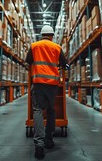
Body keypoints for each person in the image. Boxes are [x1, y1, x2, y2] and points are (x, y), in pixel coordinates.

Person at [25, 25, 68, 159]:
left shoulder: (34, 46)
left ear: (41, 35)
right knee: (50, 110)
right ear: (52, 35)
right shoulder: (57, 47)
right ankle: (49, 140)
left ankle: (39, 144)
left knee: (37, 110)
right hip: (53, 84)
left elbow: (28, 62)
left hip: (38, 83)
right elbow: (64, 63)